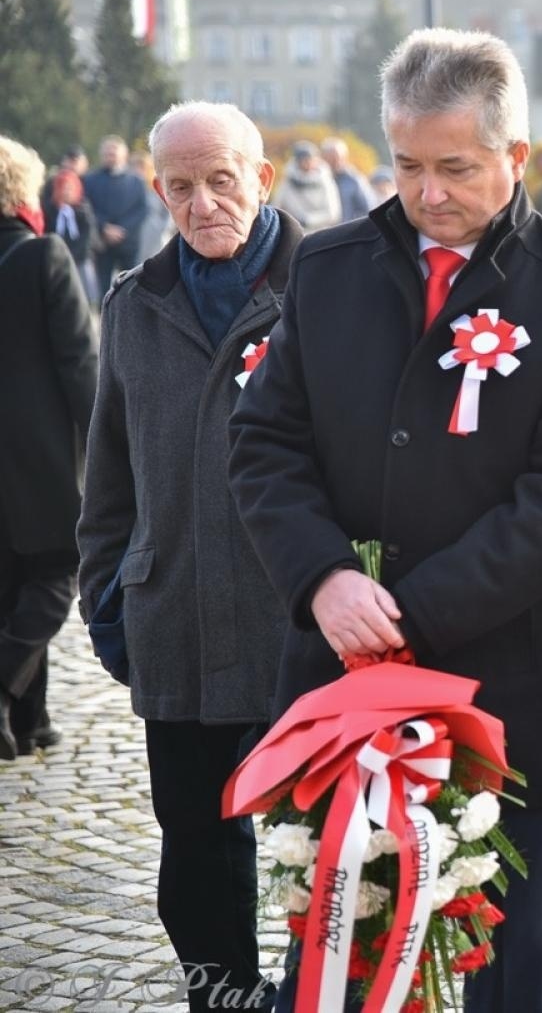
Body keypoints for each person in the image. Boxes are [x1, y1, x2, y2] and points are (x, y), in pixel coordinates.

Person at [227, 29, 542, 1013]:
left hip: (504, 693)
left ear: (516, 155)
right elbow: (264, 444)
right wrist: (323, 578)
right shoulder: (326, 269)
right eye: (407, 165)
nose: (427, 193)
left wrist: (408, 616)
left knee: (503, 976)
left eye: (456, 168)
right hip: (337, 685)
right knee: (338, 961)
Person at [77, 102, 301, 1012]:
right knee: (196, 849)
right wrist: (108, 602)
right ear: (157, 191)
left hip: (299, 623)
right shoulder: (135, 304)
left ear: (262, 179)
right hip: (174, 618)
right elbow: (108, 478)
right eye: (180, 187)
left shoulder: (327, 290)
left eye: (220, 180)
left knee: (326, 839)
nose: (202, 204)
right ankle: (227, 994)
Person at [0, 134, 96, 762]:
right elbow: (79, 363)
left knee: (11, 581)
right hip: (37, 457)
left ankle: (29, 719)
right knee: (56, 576)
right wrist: (109, 446)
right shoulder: (43, 255)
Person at [82, 134, 152, 291]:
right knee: (103, 287)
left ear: (124, 155)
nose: (110, 156)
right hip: (102, 242)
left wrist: (122, 229)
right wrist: (104, 227)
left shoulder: (136, 181)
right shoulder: (91, 180)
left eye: (114, 153)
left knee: (131, 286)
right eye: (107, 153)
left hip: (128, 242)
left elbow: (142, 209)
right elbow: (87, 207)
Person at [41, 163, 99, 297]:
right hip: (56, 258)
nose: (66, 192)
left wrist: (75, 254)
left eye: (70, 188)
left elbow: (88, 236)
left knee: (84, 292)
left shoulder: (83, 209)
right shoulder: (50, 210)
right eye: (63, 188)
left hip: (80, 258)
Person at [273, 140, 341, 230]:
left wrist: (308, 220)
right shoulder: (287, 182)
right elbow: (277, 206)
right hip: (295, 231)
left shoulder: (326, 182)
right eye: (303, 159)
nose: (306, 163)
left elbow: (332, 213)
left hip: (320, 232)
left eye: (309, 159)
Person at [320, 137, 376, 222]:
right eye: (330, 158)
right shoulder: (316, 179)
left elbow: (368, 208)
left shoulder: (354, 180)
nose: (334, 162)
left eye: (336, 158)